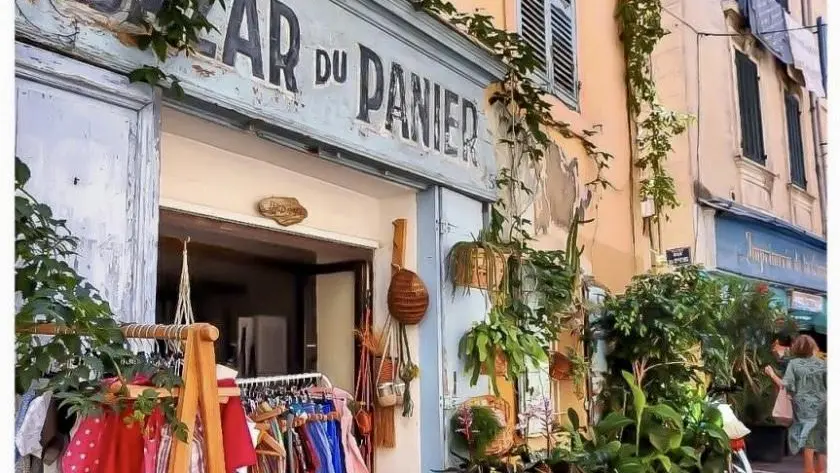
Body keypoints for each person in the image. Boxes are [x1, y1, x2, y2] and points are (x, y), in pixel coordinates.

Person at [764, 335, 827, 473]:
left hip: (803, 408)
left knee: (808, 442)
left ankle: (809, 471)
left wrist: (771, 374)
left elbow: (784, 384)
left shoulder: (795, 364)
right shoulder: (822, 364)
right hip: (823, 406)